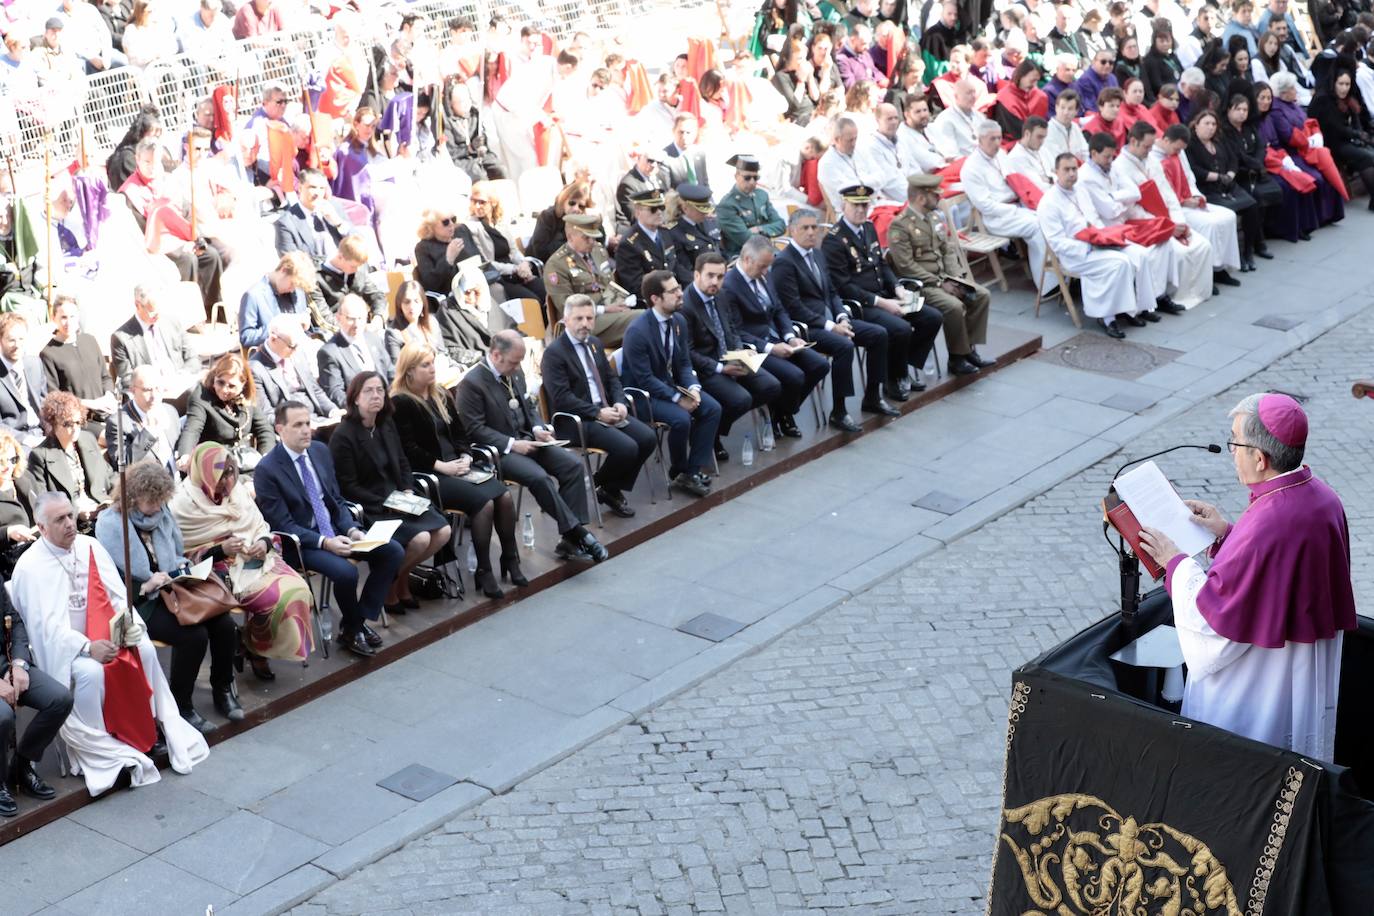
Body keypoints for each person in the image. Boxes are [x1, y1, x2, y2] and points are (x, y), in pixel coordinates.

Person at [1138, 393, 1355, 760]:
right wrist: (1226, 532)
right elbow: (1277, 561)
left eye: (1234, 442)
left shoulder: (1268, 521)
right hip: (1297, 674)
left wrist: (1174, 561)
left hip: (1257, 687)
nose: (1231, 452)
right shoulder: (1322, 497)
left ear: (1260, 457)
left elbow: (1212, 624)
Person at [12, 492, 210, 794]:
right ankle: (100, 746)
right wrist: (88, 647)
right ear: (41, 527)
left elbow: (117, 597)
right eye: (60, 520)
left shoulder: (90, 546)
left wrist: (127, 627)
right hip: (67, 650)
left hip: (106, 634)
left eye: (70, 515)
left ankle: (149, 725)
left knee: (143, 648)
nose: (69, 524)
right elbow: (45, 629)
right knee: (91, 673)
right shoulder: (31, 566)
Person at [95, 462, 242, 733]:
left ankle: (222, 689)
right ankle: (181, 705)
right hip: (138, 601)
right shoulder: (110, 523)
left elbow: (175, 553)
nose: (157, 506)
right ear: (132, 497)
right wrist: (147, 583)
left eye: (161, 500)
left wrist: (182, 569)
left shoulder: (161, 514)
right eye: (151, 500)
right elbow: (108, 580)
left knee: (225, 626)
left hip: (173, 588)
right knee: (193, 636)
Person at [255, 401, 404, 658]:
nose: (306, 431)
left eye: (308, 424)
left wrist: (353, 530)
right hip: (301, 544)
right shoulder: (267, 470)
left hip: (336, 531)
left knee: (392, 551)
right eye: (298, 425)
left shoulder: (320, 452)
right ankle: (355, 629)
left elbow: (336, 500)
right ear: (280, 429)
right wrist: (325, 542)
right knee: (346, 573)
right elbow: (283, 525)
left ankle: (354, 623)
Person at [458, 331, 609, 563]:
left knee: (573, 466)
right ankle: (579, 534)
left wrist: (539, 427)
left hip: (529, 439)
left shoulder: (515, 372)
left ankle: (569, 541)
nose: (517, 367)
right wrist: (512, 444)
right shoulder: (472, 383)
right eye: (513, 362)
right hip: (500, 452)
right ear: (496, 355)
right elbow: (475, 430)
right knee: (539, 478)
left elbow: (529, 408)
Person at [171, 442, 315, 679]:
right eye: (221, 474)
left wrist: (263, 543)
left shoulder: (237, 491)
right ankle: (257, 651)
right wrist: (220, 548)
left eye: (231, 472)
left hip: (256, 558)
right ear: (204, 473)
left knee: (299, 590)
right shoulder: (181, 504)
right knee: (276, 600)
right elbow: (182, 556)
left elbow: (260, 526)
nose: (228, 481)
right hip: (216, 571)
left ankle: (250, 643)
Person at [391, 343, 522, 597]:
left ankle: (510, 558)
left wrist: (465, 455)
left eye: (432, 363)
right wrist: (442, 466)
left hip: (459, 466)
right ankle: (483, 570)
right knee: (484, 504)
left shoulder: (440, 393)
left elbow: (460, 432)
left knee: (503, 496)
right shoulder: (400, 403)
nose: (432, 369)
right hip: (434, 474)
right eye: (425, 365)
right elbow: (408, 449)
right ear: (409, 371)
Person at [330, 372, 452, 611]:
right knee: (421, 539)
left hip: (399, 497)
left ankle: (397, 579)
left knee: (443, 531)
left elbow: (402, 461)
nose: (376, 395)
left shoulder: (385, 424)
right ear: (355, 398)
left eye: (379, 390)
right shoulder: (343, 436)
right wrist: (389, 501)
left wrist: (407, 489)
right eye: (368, 390)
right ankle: (392, 585)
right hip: (372, 505)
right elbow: (348, 487)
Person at [770, 208, 889, 432]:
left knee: (878, 334)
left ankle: (873, 395)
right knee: (844, 346)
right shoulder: (784, 262)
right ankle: (840, 410)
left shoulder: (817, 254)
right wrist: (831, 326)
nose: (811, 232)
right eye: (805, 228)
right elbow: (793, 306)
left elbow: (832, 292)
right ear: (792, 230)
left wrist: (842, 316)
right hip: (808, 328)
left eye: (814, 227)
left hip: (832, 320)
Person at [540, 295, 656, 517]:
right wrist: (597, 413)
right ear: (566, 319)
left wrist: (620, 403)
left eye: (590, 318)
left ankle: (607, 488)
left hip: (604, 410)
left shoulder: (595, 344)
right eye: (579, 318)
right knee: (627, 447)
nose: (585, 324)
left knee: (647, 438)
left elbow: (612, 380)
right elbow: (561, 397)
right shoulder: (554, 353)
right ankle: (599, 487)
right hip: (575, 420)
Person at [823, 185, 942, 399]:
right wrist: (882, 302)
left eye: (864, 205)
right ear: (843, 206)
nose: (860, 210)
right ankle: (892, 378)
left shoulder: (868, 228)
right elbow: (843, 286)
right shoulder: (833, 240)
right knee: (901, 328)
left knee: (932, 317)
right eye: (855, 205)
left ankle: (901, 367)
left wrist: (897, 287)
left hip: (885, 295)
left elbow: (882, 264)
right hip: (861, 304)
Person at [618, 272, 721, 498]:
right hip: (642, 396)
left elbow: (683, 362)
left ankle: (691, 471)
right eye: (673, 291)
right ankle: (679, 470)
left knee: (712, 408)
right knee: (681, 418)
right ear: (655, 298)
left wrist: (693, 388)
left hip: (668, 386)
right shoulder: (637, 332)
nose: (680, 293)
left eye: (678, 288)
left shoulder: (679, 321)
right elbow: (644, 379)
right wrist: (678, 399)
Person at [716, 237, 830, 440]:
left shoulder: (764, 275)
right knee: (794, 376)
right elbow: (736, 331)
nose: (766, 272)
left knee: (819, 365)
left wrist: (790, 336)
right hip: (754, 347)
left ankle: (783, 410)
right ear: (748, 260)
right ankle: (783, 414)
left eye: (768, 266)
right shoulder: (729, 286)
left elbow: (779, 309)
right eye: (762, 266)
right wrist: (770, 347)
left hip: (778, 338)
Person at [1038, 153, 1162, 339]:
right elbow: (1057, 243)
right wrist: (1088, 246)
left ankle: (1137, 309)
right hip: (1077, 254)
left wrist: (1106, 237)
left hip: (1098, 240)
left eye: (1074, 169)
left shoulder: (1080, 189)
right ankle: (1107, 318)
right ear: (1056, 172)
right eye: (1066, 169)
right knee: (1120, 263)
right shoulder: (1048, 203)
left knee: (1141, 255)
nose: (1072, 173)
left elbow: (1094, 219)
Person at [1085, 131, 1211, 310]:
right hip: (1121, 225)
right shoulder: (1103, 171)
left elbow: (1150, 193)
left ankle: (1163, 296)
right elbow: (1114, 209)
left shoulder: (1129, 164)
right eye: (1147, 146)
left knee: (1195, 245)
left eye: (1152, 146)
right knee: (1160, 250)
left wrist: (1176, 219)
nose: (1150, 151)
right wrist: (1163, 222)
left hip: (1146, 218)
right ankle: (1154, 299)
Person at [887, 174, 994, 375]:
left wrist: (955, 279)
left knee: (980, 295)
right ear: (921, 198)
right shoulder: (899, 226)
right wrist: (939, 282)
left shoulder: (935, 217)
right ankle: (956, 357)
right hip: (920, 286)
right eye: (935, 195)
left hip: (944, 279)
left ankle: (969, 349)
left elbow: (948, 250)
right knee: (953, 306)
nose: (939, 198)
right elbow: (905, 266)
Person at [681, 253, 783, 461]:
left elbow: (732, 330)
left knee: (771, 386)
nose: (715, 282)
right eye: (710, 276)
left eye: (720, 277)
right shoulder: (685, 305)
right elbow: (688, 353)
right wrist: (720, 368)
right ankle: (710, 435)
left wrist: (740, 353)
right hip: (706, 368)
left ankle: (713, 428)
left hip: (729, 358)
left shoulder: (721, 296)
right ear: (696, 274)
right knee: (741, 400)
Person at [0, 567, 69, 813]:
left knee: (59, 699)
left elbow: (14, 621)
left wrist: (19, 664)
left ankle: (22, 763)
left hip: (5, 662)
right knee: (3, 716)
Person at [961, 123, 1056, 296]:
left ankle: (1061, 274)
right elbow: (985, 206)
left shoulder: (1001, 155)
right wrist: (1016, 210)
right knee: (1038, 226)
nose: (997, 142)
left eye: (999, 138)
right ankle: (1047, 285)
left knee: (1050, 218)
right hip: (997, 218)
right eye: (992, 139)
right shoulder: (971, 168)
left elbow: (1016, 182)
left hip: (1017, 206)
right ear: (980, 140)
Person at [1151, 123, 1244, 285]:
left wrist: (1195, 195)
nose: (1179, 153)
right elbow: (1161, 191)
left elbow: (1188, 176)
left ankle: (1221, 268)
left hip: (1188, 199)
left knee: (1229, 216)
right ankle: (1209, 273)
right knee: (1210, 224)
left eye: (1181, 150)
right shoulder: (1152, 157)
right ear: (1165, 140)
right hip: (1174, 207)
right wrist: (1183, 202)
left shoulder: (1178, 151)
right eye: (1177, 149)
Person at [1222, 90, 1310, 246]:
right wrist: (1256, 163)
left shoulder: (1249, 126)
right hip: (1241, 173)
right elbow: (1237, 154)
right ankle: (1258, 240)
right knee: (1256, 198)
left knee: (1288, 186)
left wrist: (1257, 161)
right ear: (1229, 110)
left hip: (1257, 169)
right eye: (1238, 109)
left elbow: (1261, 146)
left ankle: (1291, 228)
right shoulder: (1225, 131)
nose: (1242, 113)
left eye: (1245, 110)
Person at [543, 213, 637, 348]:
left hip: (608, 313)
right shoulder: (557, 264)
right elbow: (567, 307)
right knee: (640, 320)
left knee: (647, 317)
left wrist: (620, 303)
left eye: (593, 237)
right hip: (582, 322)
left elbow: (607, 285)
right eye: (586, 237)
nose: (591, 241)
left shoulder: (597, 251)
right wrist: (604, 309)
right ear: (570, 237)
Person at [1185, 109, 1263, 271]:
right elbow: (1194, 170)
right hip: (1208, 188)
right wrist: (1218, 176)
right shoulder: (1191, 146)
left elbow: (1233, 159)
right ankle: (1238, 255)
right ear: (1196, 125)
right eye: (1206, 123)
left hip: (1228, 184)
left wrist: (1231, 174)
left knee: (1252, 205)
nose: (1211, 127)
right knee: (1230, 212)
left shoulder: (1219, 141)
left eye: (1213, 124)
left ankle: (1248, 250)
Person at [177, 352, 277, 471]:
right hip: (218, 466)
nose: (224, 390)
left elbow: (264, 429)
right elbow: (192, 429)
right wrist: (185, 455)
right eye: (220, 382)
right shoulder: (201, 396)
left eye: (231, 386)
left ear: (243, 385)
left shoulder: (247, 397)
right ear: (214, 378)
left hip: (249, 462)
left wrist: (266, 456)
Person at [28, 393, 112, 523]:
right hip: (71, 522)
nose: (75, 429)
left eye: (78, 422)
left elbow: (110, 476)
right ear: (53, 423)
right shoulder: (40, 455)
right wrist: (76, 512)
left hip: (102, 510)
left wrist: (117, 497)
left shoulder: (88, 439)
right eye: (68, 424)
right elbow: (44, 502)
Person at [40, 296, 114, 434]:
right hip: (79, 421)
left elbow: (105, 377)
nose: (68, 322)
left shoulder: (89, 340)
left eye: (72, 316)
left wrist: (109, 395)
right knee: (113, 440)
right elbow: (55, 396)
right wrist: (90, 403)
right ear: (54, 318)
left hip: (106, 413)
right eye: (63, 317)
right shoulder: (49, 353)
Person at [109, 283, 201, 392]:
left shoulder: (172, 323)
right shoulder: (121, 338)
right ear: (138, 305)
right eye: (152, 312)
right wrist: (155, 387)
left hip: (181, 384)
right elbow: (127, 379)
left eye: (159, 311)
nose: (157, 316)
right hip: (152, 394)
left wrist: (182, 375)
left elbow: (193, 358)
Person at [1307, 62, 1374, 210]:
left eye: (1347, 84)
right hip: (1330, 142)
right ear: (1334, 83)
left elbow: (1355, 118)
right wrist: (1358, 135)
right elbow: (1335, 127)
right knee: (1366, 156)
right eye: (1341, 84)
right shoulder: (1323, 99)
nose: (1344, 88)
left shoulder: (1348, 99)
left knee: (1369, 151)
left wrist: (1360, 133)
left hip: (1345, 139)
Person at [250, 317, 341, 423]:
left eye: (298, 346)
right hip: (291, 427)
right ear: (273, 339)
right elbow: (266, 414)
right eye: (292, 346)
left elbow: (315, 390)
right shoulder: (255, 369)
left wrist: (332, 410)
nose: (296, 350)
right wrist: (298, 424)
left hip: (318, 418)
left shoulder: (297, 354)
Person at [466, 183, 546, 303]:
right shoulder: (471, 227)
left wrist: (523, 264)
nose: (477, 206)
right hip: (498, 277)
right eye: (474, 201)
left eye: (482, 202)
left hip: (517, 272)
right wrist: (515, 269)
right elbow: (486, 263)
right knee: (532, 301)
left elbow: (513, 251)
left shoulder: (499, 222)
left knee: (544, 291)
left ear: (493, 202)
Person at [317, 294, 395, 407]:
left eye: (361, 318)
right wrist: (362, 407)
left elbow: (391, 373)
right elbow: (336, 393)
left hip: (388, 404)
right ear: (338, 318)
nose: (357, 324)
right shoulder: (329, 352)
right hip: (360, 412)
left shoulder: (373, 339)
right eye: (351, 319)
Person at [106, 366, 180, 475]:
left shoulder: (170, 411)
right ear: (132, 390)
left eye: (158, 388)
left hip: (179, 481)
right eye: (147, 390)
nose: (154, 395)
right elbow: (123, 465)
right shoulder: (118, 422)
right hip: (148, 486)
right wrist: (149, 432)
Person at [239, 252, 320, 349]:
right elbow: (246, 337)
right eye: (292, 284)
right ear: (283, 270)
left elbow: (307, 331)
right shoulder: (254, 295)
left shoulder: (297, 291)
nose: (293, 289)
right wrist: (280, 327)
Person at [615, 189, 683, 306]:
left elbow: (675, 266)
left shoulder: (665, 233)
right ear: (638, 212)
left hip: (675, 294)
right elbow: (636, 285)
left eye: (661, 207)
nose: (659, 212)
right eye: (653, 209)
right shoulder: (629, 244)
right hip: (654, 302)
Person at [274, 168, 354, 266]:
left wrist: (338, 222)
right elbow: (292, 265)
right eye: (313, 187)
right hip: (316, 275)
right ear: (300, 188)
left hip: (347, 269)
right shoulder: (285, 222)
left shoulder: (334, 207)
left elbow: (359, 242)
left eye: (322, 188)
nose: (318, 193)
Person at [716, 155, 787, 259]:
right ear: (736, 176)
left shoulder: (762, 195)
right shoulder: (727, 205)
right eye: (747, 178)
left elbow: (781, 225)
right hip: (742, 256)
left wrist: (760, 228)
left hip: (765, 250)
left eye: (756, 177)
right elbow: (745, 238)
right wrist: (768, 233)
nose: (752, 182)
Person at [312, 235, 389, 326]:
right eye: (353, 266)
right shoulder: (315, 277)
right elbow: (324, 317)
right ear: (340, 257)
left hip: (363, 324)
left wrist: (378, 317)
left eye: (358, 266)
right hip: (336, 331)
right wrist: (354, 327)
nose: (356, 270)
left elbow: (376, 295)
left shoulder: (358, 269)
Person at [0, 314, 47, 449]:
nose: (17, 345)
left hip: (40, 431)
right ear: (0, 340)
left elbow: (45, 404)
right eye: (11, 340)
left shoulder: (34, 364)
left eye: (21, 339)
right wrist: (27, 439)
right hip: (12, 439)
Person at [0, 430, 38, 579]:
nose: (8, 466)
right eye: (1, 461)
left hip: (39, 549)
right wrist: (8, 533)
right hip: (10, 564)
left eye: (12, 459)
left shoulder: (24, 478)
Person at [527, 181, 592, 264]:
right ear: (564, 200)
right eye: (572, 203)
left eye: (581, 206)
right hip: (545, 265)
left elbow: (597, 242)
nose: (576, 208)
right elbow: (540, 250)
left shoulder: (582, 218)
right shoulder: (547, 216)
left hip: (572, 264)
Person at [930, 77, 991, 158]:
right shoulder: (945, 119)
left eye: (974, 92)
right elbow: (951, 155)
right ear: (956, 96)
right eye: (968, 93)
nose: (973, 96)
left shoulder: (979, 116)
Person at [897, 95, 949, 173]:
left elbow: (948, 147)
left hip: (947, 167)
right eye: (918, 112)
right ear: (907, 114)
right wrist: (945, 161)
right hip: (929, 177)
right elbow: (926, 162)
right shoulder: (903, 136)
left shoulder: (930, 127)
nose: (923, 115)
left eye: (925, 110)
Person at [1041, 89, 1089, 173]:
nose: (1065, 112)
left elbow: (1085, 152)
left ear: (1076, 111)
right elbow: (1054, 161)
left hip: (1079, 172)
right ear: (1056, 107)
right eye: (1062, 107)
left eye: (1070, 109)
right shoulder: (1048, 130)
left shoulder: (1075, 127)